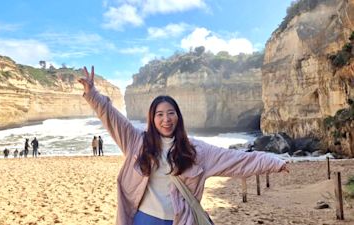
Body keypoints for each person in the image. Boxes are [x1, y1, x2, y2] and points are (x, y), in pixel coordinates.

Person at [78, 66, 289, 225]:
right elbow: (112, 119)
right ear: (152, 119)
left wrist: (274, 162)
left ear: (178, 116)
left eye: (171, 113)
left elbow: (237, 160)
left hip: (178, 221)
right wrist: (93, 95)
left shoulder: (196, 150)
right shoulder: (137, 141)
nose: (166, 119)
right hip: (143, 218)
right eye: (159, 115)